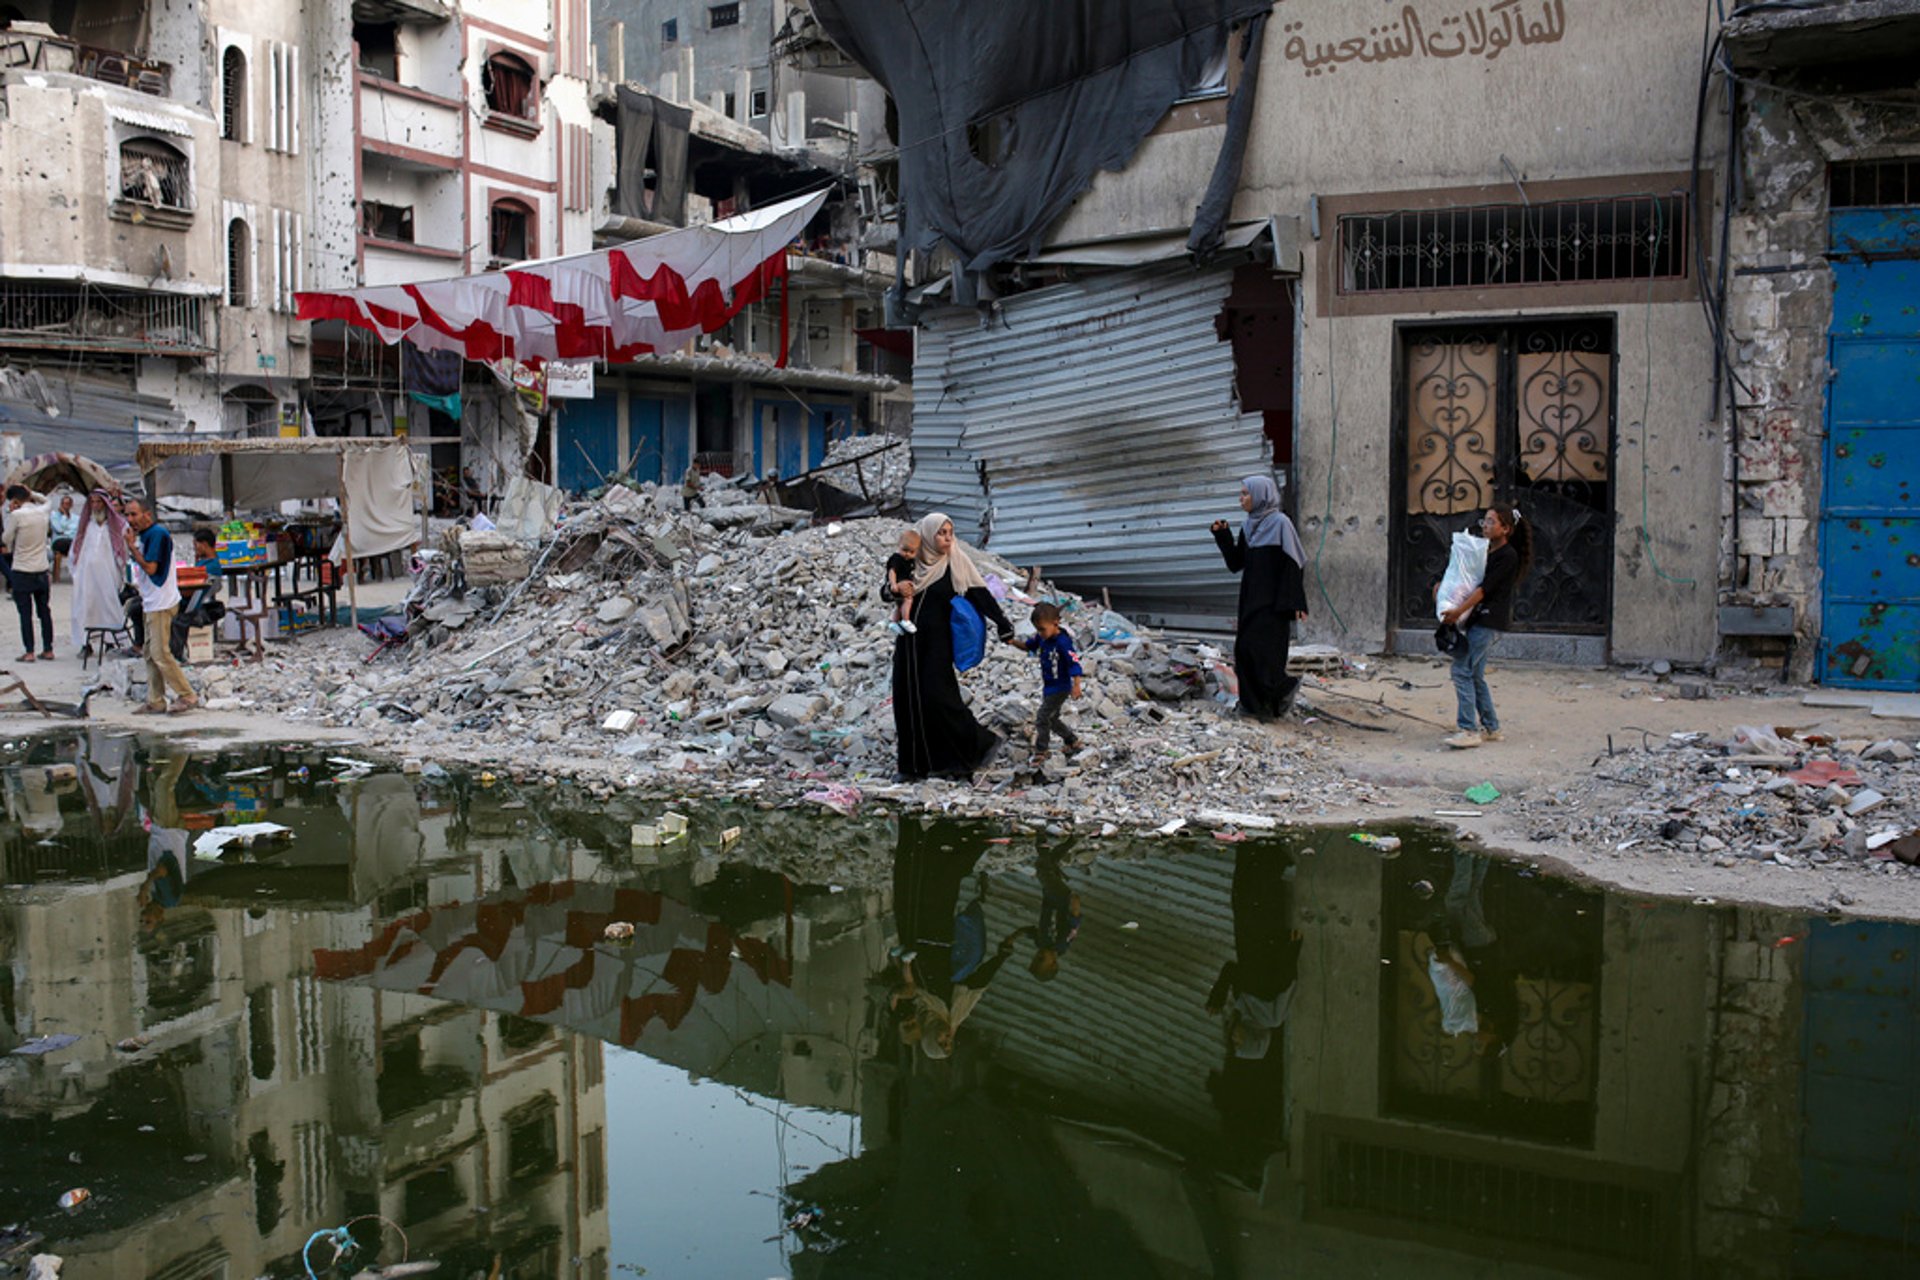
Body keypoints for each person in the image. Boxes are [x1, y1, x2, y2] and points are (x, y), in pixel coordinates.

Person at [881, 512, 1014, 781]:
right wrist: (895, 590)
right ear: (929, 535)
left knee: (940, 698)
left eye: (950, 532)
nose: (947, 538)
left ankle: (970, 752)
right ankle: (911, 767)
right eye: (941, 533)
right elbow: (885, 592)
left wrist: (1002, 623)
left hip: (938, 642)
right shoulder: (911, 561)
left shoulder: (955, 563)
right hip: (908, 642)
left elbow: (980, 594)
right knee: (907, 699)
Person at [1210, 475, 1308, 721]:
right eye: (1241, 493)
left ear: (1261, 495)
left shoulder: (1280, 523)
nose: (1241, 498)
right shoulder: (1249, 526)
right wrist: (1223, 537)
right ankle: (1252, 707)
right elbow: (1236, 563)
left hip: (1274, 604)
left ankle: (1281, 693)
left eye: (1245, 493)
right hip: (1251, 600)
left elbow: (1294, 563)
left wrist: (1296, 602)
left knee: (1267, 657)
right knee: (1244, 651)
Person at [1440, 504, 1533, 748]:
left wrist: (1459, 610)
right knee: (1476, 675)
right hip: (1479, 618)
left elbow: (1483, 590)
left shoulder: (1507, 557)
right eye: (1485, 521)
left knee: (1462, 670)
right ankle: (1492, 727)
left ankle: (1469, 729)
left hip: (1487, 620)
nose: (1486, 526)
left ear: (1506, 529)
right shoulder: (1487, 552)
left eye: (1492, 522)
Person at [123, 497, 197, 714]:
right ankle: (156, 699)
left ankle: (187, 694)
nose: (130, 520)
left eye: (134, 515)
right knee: (149, 652)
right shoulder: (146, 535)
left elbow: (152, 569)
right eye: (127, 515)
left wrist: (132, 548)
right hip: (152, 601)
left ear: (147, 514)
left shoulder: (157, 535)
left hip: (161, 602)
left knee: (160, 653)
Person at [1011, 600, 1083, 765]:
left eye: (1042, 629)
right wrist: (1012, 642)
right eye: (1038, 629)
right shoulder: (1043, 638)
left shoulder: (1063, 642)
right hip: (1049, 687)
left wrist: (1077, 685)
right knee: (1052, 719)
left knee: (1042, 717)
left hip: (1061, 687)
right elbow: (1028, 646)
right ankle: (1071, 740)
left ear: (1055, 623)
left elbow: (1074, 663)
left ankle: (1041, 750)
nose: (1040, 633)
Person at [70, 488, 133, 658]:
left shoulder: (118, 526)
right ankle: (86, 643)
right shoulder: (86, 526)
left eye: (99, 502)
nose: (96, 506)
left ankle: (110, 642)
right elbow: (76, 550)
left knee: (109, 607)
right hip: (86, 576)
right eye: (93, 502)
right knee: (85, 608)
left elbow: (125, 551)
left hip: (109, 574)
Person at [2, 485, 54, 661]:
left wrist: (11, 512)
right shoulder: (42, 512)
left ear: (15, 502)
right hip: (41, 569)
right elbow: (48, 501)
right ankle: (48, 649)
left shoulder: (17, 515)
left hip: (22, 570)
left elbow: (6, 539)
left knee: (25, 614)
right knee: (44, 612)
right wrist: (32, 493)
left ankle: (30, 651)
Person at [1028, 839, 1081, 983]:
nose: (1038, 954)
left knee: (1050, 864)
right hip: (1061, 898)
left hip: (1050, 897)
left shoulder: (1042, 943)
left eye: (1036, 957)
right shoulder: (1061, 943)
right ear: (1054, 964)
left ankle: (1073, 839)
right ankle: (1041, 834)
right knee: (1042, 868)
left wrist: (1012, 938)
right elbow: (1074, 924)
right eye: (1041, 959)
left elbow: (1030, 931)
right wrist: (1075, 904)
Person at [884, 526, 921, 636]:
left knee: (900, 604)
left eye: (912, 552)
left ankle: (893, 622)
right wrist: (893, 583)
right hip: (896, 585)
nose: (907, 554)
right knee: (908, 600)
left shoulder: (911, 560)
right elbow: (892, 571)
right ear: (898, 546)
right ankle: (905, 620)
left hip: (902, 584)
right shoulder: (897, 558)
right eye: (904, 550)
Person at [48, 493, 77, 581]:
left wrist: (66, 531)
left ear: (71, 505)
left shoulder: (76, 518)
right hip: (58, 541)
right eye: (64, 504)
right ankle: (56, 576)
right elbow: (59, 529)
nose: (66, 506)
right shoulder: (54, 515)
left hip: (71, 540)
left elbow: (76, 529)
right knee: (67, 543)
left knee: (79, 545)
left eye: (68, 504)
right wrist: (64, 516)